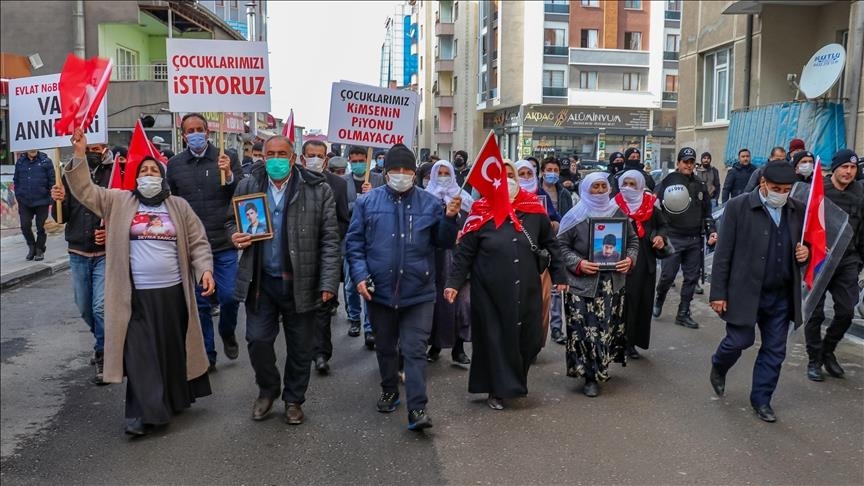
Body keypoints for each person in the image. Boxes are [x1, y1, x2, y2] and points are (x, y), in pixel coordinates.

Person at [65, 129, 214, 437]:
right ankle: (141, 414)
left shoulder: (179, 206)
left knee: (171, 350)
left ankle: (173, 399)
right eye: (143, 171)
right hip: (133, 297)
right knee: (139, 353)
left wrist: (204, 271)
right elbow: (84, 191)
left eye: (153, 171)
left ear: (162, 177)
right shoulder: (118, 201)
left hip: (173, 293)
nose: (148, 176)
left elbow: (198, 242)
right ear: (134, 177)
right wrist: (79, 154)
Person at [345, 143, 461, 430]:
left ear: (413, 172)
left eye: (406, 170)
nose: (401, 175)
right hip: (379, 290)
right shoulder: (367, 203)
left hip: (418, 291)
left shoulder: (431, 203)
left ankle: (418, 409)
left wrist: (449, 219)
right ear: (386, 173)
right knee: (385, 347)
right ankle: (389, 389)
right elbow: (354, 244)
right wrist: (360, 276)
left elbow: (443, 242)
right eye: (395, 170)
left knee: (414, 349)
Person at [229, 135, 341, 425]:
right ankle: (268, 389)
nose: (276, 159)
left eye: (282, 154)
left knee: (301, 347)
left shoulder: (318, 190)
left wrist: (329, 282)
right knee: (257, 340)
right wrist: (235, 236)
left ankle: (293, 399)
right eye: (271, 154)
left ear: (293, 159)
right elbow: (231, 220)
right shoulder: (248, 185)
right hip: (260, 282)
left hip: (301, 281)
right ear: (263, 157)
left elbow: (330, 240)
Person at [446, 160, 567, 409]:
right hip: (489, 291)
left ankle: (514, 381)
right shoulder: (480, 210)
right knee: (496, 339)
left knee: (529, 339)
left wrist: (560, 276)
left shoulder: (533, 209)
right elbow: (465, 253)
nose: (508, 180)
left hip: (526, 288)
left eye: (512, 175)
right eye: (502, 176)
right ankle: (497, 389)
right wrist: (454, 283)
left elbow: (551, 244)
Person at [709, 161, 809, 423]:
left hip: (781, 295)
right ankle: (719, 365)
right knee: (738, 341)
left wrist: (805, 253)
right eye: (776, 188)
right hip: (744, 291)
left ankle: (762, 399)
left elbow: (805, 245)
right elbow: (723, 254)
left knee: (775, 350)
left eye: (787, 189)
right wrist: (718, 293)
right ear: (763, 182)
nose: (781, 193)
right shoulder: (738, 207)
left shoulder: (797, 210)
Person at [167, 112, 243, 371]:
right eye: (191, 130)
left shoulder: (227, 157)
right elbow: (171, 202)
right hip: (193, 246)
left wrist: (230, 174)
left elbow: (244, 194)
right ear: (183, 134)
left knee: (230, 296)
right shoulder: (175, 165)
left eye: (200, 128)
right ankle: (208, 355)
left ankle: (228, 332)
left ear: (208, 133)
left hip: (223, 241)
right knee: (200, 305)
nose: (196, 133)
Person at [557, 172, 639, 397]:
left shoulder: (617, 212)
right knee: (585, 330)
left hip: (611, 284)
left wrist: (629, 259)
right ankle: (588, 376)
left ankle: (601, 367)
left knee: (605, 328)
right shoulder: (575, 216)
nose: (601, 190)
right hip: (582, 284)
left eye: (604, 186)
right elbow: (560, 247)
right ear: (586, 189)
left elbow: (632, 240)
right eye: (596, 187)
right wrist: (579, 263)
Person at [50, 141, 113, 384]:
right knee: (84, 307)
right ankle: (101, 337)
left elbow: (125, 210)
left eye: (97, 147)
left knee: (100, 307)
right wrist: (57, 200)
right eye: (89, 147)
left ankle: (103, 354)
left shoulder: (114, 172)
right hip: (78, 252)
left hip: (105, 254)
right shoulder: (69, 174)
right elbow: (60, 217)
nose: (92, 151)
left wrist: (110, 230)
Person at [804, 149, 864, 381]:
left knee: (847, 310)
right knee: (815, 313)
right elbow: (803, 225)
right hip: (819, 260)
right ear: (835, 168)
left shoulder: (860, 193)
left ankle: (828, 351)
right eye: (844, 167)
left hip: (847, 260)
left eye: (853, 168)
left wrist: (860, 261)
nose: (849, 172)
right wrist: (809, 249)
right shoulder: (819, 191)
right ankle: (813, 359)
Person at [653, 147, 718, 328]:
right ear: (678, 163)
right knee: (667, 275)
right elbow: (657, 210)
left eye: (691, 162)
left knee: (691, 277)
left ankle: (683, 313)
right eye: (685, 162)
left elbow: (707, 212)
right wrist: (659, 233)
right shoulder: (666, 183)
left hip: (694, 238)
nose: (689, 165)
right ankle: (659, 298)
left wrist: (711, 230)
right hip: (673, 237)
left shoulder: (699, 185)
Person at [300, 140, 350, 373]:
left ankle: (321, 353)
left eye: (320, 156)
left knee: (323, 305)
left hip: (324, 254)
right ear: (302, 158)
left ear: (326, 159)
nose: (315, 160)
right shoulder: (292, 182)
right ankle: (302, 350)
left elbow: (342, 219)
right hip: (297, 255)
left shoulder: (338, 185)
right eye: (311, 155)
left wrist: (331, 239)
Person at [424, 160, 474, 365]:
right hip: (435, 260)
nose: (443, 176)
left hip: (460, 259)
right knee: (438, 306)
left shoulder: (465, 198)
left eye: (447, 173)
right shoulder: (425, 198)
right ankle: (435, 345)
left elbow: (474, 222)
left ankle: (458, 347)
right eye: (440, 173)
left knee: (462, 305)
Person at [614, 170, 668, 359]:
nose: (628, 188)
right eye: (625, 183)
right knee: (625, 301)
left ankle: (634, 341)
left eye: (632, 184)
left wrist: (660, 236)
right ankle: (622, 341)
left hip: (645, 259)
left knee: (642, 300)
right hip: (623, 259)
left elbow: (662, 224)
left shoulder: (651, 203)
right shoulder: (615, 204)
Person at [343, 146, 384, 347]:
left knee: (370, 286)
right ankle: (354, 319)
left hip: (374, 240)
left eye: (362, 160)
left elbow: (386, 203)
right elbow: (341, 208)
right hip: (351, 240)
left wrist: (374, 194)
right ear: (350, 161)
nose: (359, 163)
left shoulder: (378, 180)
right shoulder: (344, 182)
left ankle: (370, 328)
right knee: (351, 285)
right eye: (355, 160)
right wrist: (359, 201)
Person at [13, 148, 55, 261]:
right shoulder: (20, 162)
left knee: (41, 227)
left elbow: (52, 180)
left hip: (42, 200)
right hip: (25, 201)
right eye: (30, 148)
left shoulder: (46, 161)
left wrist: (51, 198)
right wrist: (18, 194)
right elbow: (16, 180)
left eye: (34, 147)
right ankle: (32, 246)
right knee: (25, 225)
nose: (32, 150)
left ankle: (40, 249)